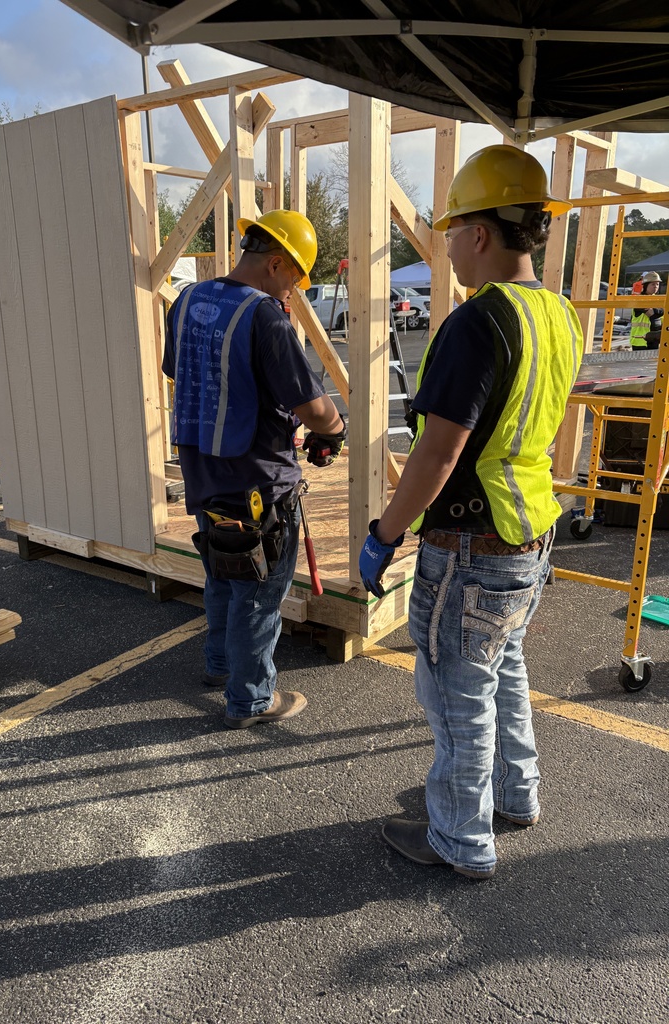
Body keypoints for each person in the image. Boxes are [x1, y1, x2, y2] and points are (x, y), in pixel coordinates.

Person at [359, 146, 584, 879]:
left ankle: (460, 841)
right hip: (529, 533)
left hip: (471, 541)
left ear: (481, 234)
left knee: (458, 693)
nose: (446, 243)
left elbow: (436, 456)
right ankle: (517, 796)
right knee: (503, 666)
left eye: (452, 229)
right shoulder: (557, 314)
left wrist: (384, 533)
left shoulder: (475, 323)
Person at [162, 210, 345, 729]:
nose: (294, 290)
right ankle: (250, 699)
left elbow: (180, 369)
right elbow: (313, 408)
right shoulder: (264, 315)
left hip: (203, 472)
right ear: (277, 263)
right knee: (260, 592)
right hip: (259, 481)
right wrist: (334, 430)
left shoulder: (188, 300)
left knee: (223, 571)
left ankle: (219, 665)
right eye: (295, 277)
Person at [630, 271, 663, 349]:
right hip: (640, 341)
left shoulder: (658, 300)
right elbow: (652, 314)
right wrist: (661, 310)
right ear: (645, 286)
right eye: (652, 284)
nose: (655, 286)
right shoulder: (640, 300)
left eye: (657, 284)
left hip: (654, 339)